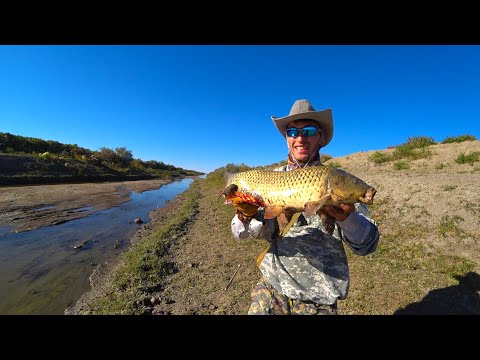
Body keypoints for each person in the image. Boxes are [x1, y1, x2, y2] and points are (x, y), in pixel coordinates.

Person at [230, 99, 380, 315]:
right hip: (272, 287)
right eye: (292, 132)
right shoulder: (268, 179)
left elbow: (368, 245)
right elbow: (239, 236)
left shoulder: (336, 180)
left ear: (320, 137)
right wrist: (245, 215)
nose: (300, 138)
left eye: (308, 131)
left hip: (319, 298)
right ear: (286, 139)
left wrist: (348, 219)